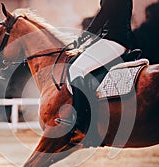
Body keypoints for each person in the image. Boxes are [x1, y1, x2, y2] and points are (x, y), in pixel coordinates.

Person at [57, 0, 138, 144]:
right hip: (116, 40)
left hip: (114, 41)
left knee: (76, 70)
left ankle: (81, 125)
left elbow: (101, 17)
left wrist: (81, 39)